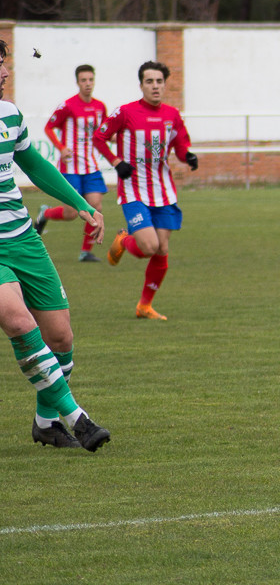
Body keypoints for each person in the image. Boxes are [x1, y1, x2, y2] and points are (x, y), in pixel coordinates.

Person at [0, 40, 110, 451]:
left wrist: (81, 205)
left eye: (4, 63)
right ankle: (78, 418)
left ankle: (46, 423)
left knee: (61, 338)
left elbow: (34, 164)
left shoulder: (9, 114)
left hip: (24, 239)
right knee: (19, 322)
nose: (5, 72)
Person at [93, 61, 198, 322]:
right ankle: (123, 240)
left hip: (163, 191)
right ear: (141, 85)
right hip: (134, 191)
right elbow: (99, 137)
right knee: (149, 246)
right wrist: (117, 162)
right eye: (149, 81)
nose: (155, 86)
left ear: (165, 85)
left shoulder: (172, 115)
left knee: (161, 249)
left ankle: (144, 306)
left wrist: (188, 156)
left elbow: (180, 145)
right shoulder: (126, 112)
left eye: (159, 81)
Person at [34, 65, 109, 262]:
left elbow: (104, 131)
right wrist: (61, 148)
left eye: (90, 80)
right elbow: (49, 127)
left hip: (91, 166)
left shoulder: (100, 107)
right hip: (71, 166)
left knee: (95, 205)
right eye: (83, 80)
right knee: (71, 213)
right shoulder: (67, 106)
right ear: (77, 82)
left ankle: (85, 251)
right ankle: (45, 213)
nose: (87, 84)